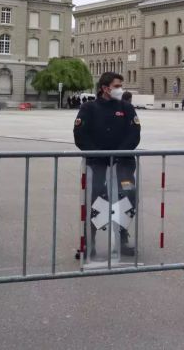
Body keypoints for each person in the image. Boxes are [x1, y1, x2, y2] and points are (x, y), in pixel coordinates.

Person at [74, 72, 141, 257]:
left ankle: (122, 237)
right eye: (117, 86)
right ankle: (90, 241)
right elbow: (80, 135)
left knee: (128, 196)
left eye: (120, 86)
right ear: (105, 88)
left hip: (123, 163)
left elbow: (134, 134)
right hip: (97, 164)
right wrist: (100, 154)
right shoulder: (89, 108)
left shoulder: (126, 108)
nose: (120, 89)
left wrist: (118, 154)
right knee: (96, 199)